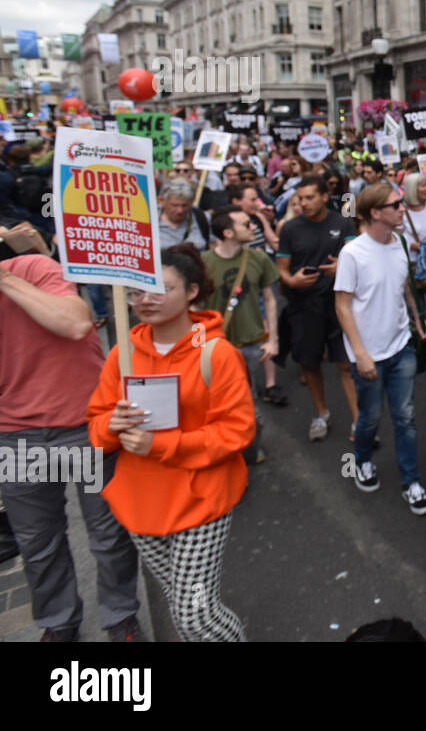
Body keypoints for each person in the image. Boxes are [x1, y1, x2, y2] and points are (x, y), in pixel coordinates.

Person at [86, 244, 255, 641]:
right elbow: (96, 430)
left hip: (201, 500)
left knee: (194, 616)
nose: (145, 300)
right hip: (141, 504)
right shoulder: (121, 354)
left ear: (192, 292)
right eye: (138, 291)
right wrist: (112, 425)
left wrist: (163, 445)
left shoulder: (217, 353)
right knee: (184, 607)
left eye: (160, 289)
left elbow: (237, 430)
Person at [0, 252, 141, 642]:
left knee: (109, 535)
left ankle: (120, 616)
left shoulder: (31, 268)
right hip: (15, 436)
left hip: (84, 425)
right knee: (37, 543)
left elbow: (77, 324)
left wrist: (4, 281)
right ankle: (59, 621)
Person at [335, 184, 426, 514]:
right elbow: (343, 306)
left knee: (405, 417)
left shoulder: (399, 244)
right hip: (369, 355)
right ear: (376, 213)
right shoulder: (353, 253)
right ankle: (361, 460)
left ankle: (412, 482)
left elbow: (404, 286)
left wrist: (417, 322)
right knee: (370, 418)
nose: (403, 209)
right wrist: (360, 354)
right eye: (396, 204)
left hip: (401, 347)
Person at [276, 174, 360, 442]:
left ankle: (360, 422)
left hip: (337, 305)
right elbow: (283, 273)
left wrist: (341, 268)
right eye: (301, 198)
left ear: (325, 196)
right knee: (310, 364)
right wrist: (294, 281)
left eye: (310, 197)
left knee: (345, 365)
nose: (304, 203)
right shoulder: (289, 229)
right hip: (304, 308)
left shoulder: (343, 222)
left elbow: (355, 258)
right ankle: (321, 414)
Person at [202, 208, 283, 451]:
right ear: (227, 232)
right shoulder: (204, 263)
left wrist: (273, 340)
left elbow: (270, 299)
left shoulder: (258, 259)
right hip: (215, 347)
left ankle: (247, 449)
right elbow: (194, 307)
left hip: (250, 344)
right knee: (216, 404)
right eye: (246, 225)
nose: (253, 228)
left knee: (249, 403)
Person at [157, 179, 209, 250]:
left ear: (191, 202)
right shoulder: (149, 219)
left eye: (184, 205)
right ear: (161, 201)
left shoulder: (201, 218)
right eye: (174, 205)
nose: (180, 211)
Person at [399, 172, 426, 257]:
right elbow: (397, 238)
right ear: (412, 189)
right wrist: (414, 245)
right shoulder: (402, 211)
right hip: (413, 260)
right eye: (423, 186)